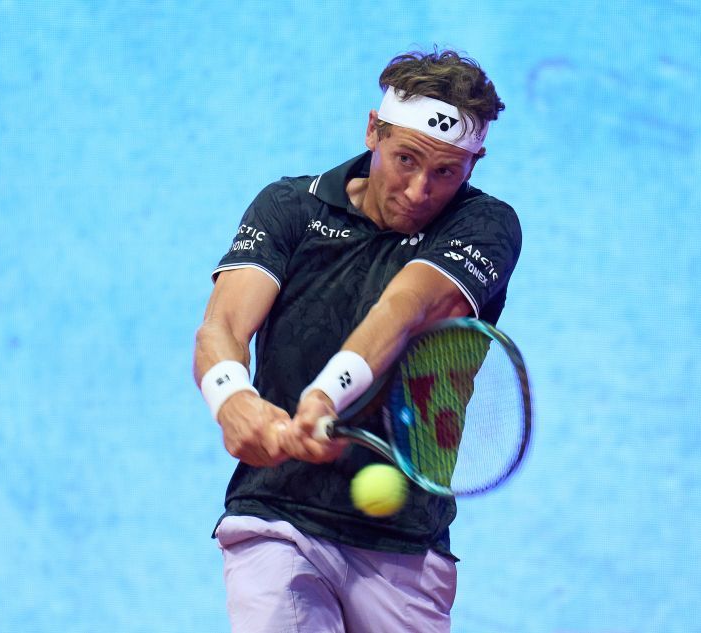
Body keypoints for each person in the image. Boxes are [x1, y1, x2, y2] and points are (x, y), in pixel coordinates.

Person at [193, 48, 521, 633]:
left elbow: (405, 309)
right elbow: (223, 326)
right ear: (374, 131)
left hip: (406, 544)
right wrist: (231, 397)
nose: (419, 190)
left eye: (446, 172)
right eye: (406, 159)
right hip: (278, 517)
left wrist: (325, 395)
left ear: (475, 163)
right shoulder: (289, 208)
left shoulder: (485, 226)